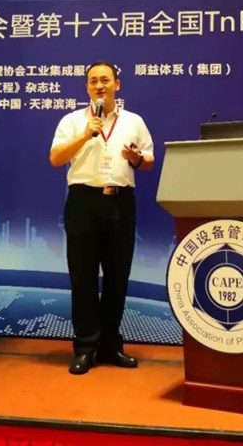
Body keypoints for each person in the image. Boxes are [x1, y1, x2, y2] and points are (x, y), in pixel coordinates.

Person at [49, 61, 154, 375]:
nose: (99, 86)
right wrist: (85, 136)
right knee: (82, 277)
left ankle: (110, 345)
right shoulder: (72, 121)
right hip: (83, 202)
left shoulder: (134, 121)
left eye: (105, 80)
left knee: (117, 277)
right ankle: (85, 347)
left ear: (117, 85)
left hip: (120, 202)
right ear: (86, 87)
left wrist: (136, 158)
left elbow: (148, 161)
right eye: (93, 81)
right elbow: (55, 158)